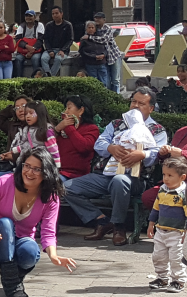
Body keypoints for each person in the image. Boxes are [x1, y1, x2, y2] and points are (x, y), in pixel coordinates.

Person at [0, 147, 77, 297]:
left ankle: (11, 279)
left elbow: (48, 231)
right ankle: (13, 285)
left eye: (36, 169)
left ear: (46, 172)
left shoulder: (50, 197)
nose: (29, 172)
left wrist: (53, 256)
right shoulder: (4, 182)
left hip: (21, 240)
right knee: (5, 223)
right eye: (27, 166)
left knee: (31, 251)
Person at [63, 87, 168, 246]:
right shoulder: (117, 124)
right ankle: (101, 221)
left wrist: (142, 155)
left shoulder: (157, 130)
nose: (135, 106)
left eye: (141, 103)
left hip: (134, 178)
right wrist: (111, 148)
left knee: (120, 181)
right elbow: (100, 143)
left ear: (151, 108)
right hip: (104, 175)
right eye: (133, 101)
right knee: (66, 187)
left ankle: (119, 226)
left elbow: (158, 152)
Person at [147, 156, 187, 293]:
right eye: (164, 174)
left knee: (176, 258)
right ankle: (161, 278)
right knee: (158, 256)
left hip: (177, 233)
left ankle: (178, 280)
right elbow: (156, 208)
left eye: (170, 175)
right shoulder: (162, 190)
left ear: (182, 177)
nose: (166, 178)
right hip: (161, 231)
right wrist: (151, 224)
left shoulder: (184, 194)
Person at [52, 95, 100, 181]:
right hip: (55, 171)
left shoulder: (92, 129)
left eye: (69, 108)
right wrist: (57, 129)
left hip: (75, 175)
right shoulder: (62, 129)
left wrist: (69, 127)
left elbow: (84, 147)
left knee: (54, 184)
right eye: (66, 108)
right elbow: (49, 144)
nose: (65, 112)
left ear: (81, 110)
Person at [92, 12, 122, 92]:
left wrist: (90, 37)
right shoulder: (94, 29)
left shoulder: (108, 29)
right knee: (106, 80)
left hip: (114, 56)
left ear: (104, 20)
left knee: (115, 79)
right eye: (95, 18)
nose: (96, 20)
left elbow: (104, 39)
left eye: (99, 18)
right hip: (103, 58)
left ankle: (117, 98)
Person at [14, 10, 45, 78]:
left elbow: (40, 39)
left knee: (35, 59)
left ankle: (36, 77)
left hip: (36, 50)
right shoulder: (21, 26)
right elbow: (18, 39)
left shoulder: (40, 25)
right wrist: (27, 47)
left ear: (34, 17)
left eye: (30, 16)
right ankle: (19, 78)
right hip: (24, 50)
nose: (28, 17)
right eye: (27, 16)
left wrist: (32, 49)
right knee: (18, 59)